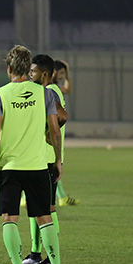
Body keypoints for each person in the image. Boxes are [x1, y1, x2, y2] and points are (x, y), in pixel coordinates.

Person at [0, 45, 68, 264]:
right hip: (39, 166)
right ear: (27, 68)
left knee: (10, 217)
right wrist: (58, 159)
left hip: (9, 167)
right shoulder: (46, 94)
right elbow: (55, 130)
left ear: (9, 68)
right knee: (45, 217)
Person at [22, 54, 68, 264]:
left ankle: (51, 258)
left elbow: (63, 116)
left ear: (45, 74)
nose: (30, 75)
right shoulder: (46, 91)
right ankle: (35, 254)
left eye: (33, 72)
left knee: (47, 209)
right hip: (40, 158)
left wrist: (48, 135)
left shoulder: (49, 91)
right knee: (35, 207)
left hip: (48, 159)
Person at [52, 60, 78, 206]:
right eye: (61, 73)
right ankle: (61, 197)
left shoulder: (55, 88)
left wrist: (68, 72)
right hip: (50, 136)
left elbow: (68, 89)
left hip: (56, 135)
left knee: (52, 168)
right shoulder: (48, 89)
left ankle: (61, 197)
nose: (62, 76)